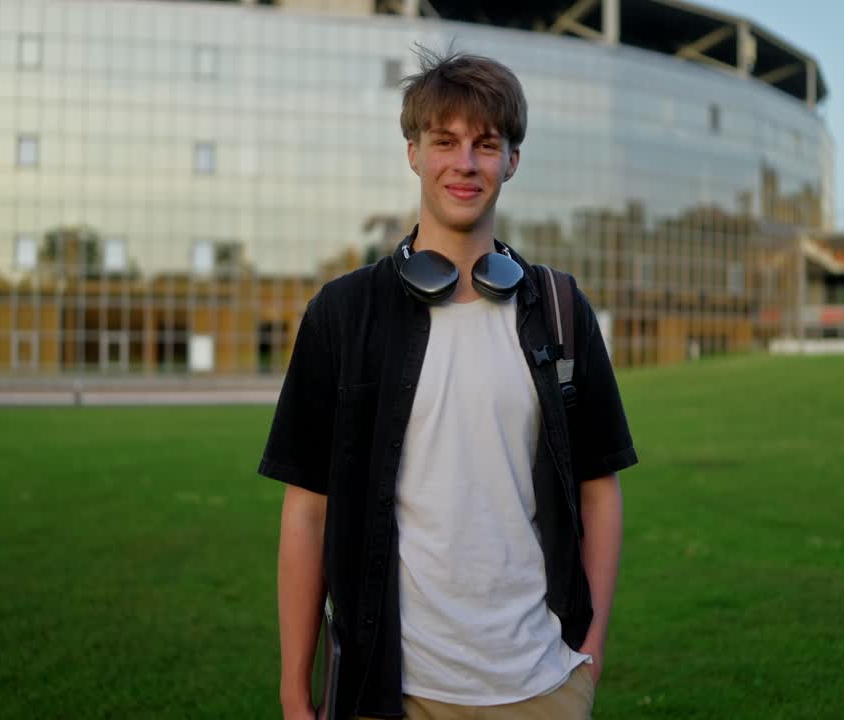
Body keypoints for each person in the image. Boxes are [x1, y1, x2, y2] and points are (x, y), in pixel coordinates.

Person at [260, 47, 637, 720]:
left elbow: (600, 492)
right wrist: (295, 692)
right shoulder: (344, 314)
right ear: (414, 153)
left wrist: (590, 652)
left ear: (511, 161)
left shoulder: (559, 308)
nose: (465, 163)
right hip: (389, 690)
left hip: (541, 686)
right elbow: (307, 512)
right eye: (446, 141)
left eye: (486, 145)